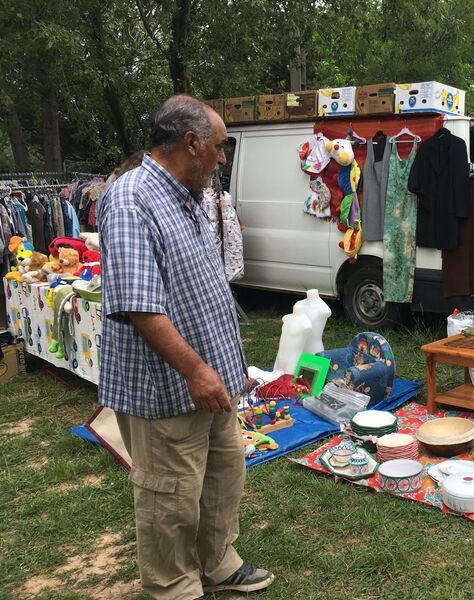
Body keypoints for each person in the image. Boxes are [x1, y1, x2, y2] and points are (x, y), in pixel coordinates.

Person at [97, 95, 274, 599]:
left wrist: (226, 366)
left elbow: (201, 288)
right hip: (167, 385)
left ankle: (218, 563)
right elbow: (140, 307)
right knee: (169, 495)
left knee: (223, 473)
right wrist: (197, 370)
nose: (223, 159)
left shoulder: (191, 196)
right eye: (219, 148)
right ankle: (175, 587)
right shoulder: (132, 198)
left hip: (211, 377)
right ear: (191, 143)